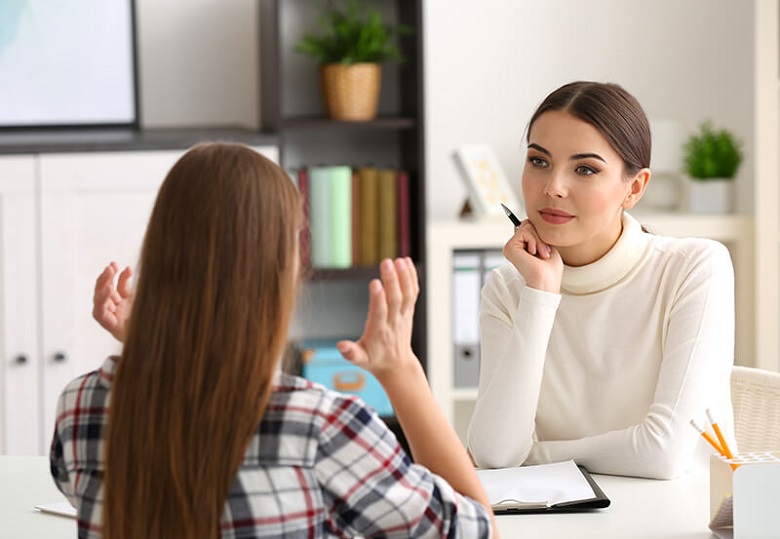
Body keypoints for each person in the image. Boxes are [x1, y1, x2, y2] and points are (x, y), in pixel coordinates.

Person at [50, 142, 497, 538]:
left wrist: (154, 346)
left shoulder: (82, 407)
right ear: (281, 271)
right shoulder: (321, 428)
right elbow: (475, 529)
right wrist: (402, 370)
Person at [467, 81, 737, 480]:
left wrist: (531, 456)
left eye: (585, 169)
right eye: (539, 161)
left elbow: (662, 454)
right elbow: (494, 454)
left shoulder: (694, 267)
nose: (553, 188)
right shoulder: (509, 288)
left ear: (635, 187)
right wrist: (540, 294)